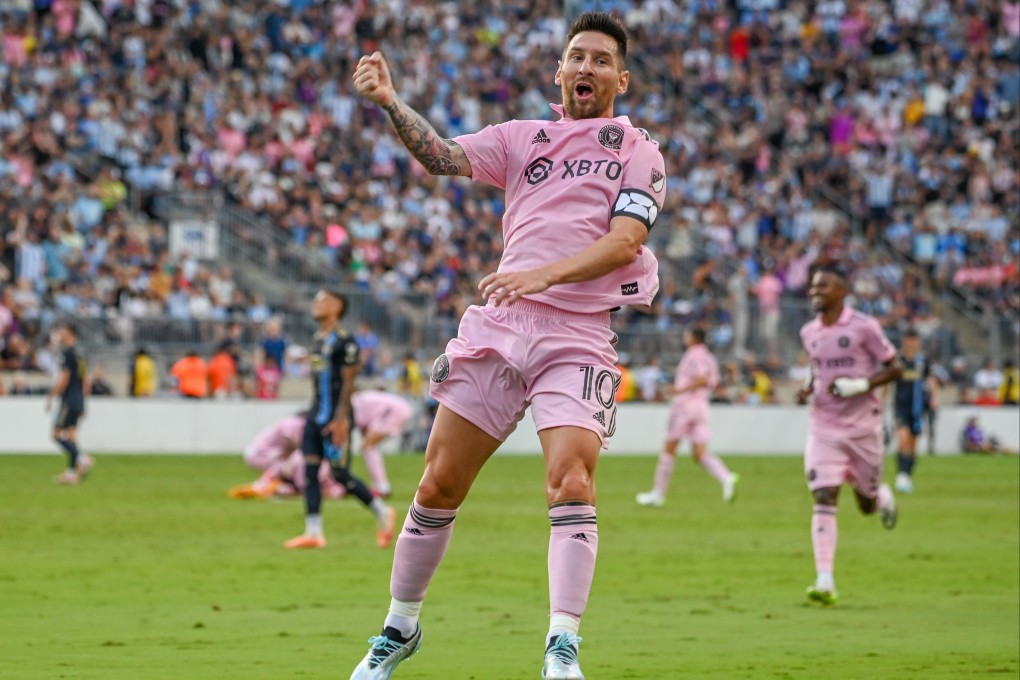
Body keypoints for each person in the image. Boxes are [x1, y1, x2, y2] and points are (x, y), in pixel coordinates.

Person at [350, 12, 666, 679]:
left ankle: (561, 649)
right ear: (559, 70)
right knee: (437, 485)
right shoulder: (525, 138)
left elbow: (625, 242)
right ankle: (398, 629)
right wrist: (390, 102)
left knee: (571, 481)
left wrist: (541, 274)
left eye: (601, 60)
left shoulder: (637, 150)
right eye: (576, 56)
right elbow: (441, 157)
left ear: (622, 79)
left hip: (577, 333)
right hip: (501, 325)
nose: (586, 67)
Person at [795, 263, 903, 606]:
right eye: (813, 287)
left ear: (842, 291)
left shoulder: (864, 327)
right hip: (824, 427)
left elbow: (896, 368)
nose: (815, 292)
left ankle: (881, 497)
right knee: (824, 496)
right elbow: (817, 370)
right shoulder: (809, 332)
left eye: (823, 286)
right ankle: (825, 579)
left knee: (866, 505)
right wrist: (807, 389)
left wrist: (862, 384)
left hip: (862, 429)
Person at [283, 289, 396, 551]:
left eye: (322, 300)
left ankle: (381, 511)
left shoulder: (346, 341)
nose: (316, 303)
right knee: (310, 470)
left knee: (339, 473)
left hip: (336, 418)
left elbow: (349, 382)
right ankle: (313, 532)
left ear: (337, 308)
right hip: (315, 415)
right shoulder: (317, 339)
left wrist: (341, 419)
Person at [636, 326, 739, 507]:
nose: (685, 337)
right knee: (699, 453)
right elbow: (712, 381)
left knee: (669, 448)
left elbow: (703, 378)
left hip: (685, 406)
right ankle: (726, 477)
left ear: (694, 338)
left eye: (687, 334)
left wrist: (679, 389)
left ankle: (658, 494)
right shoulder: (710, 357)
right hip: (701, 406)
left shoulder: (694, 355)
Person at [228, 412, 343, 500]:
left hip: (269, 454)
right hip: (260, 454)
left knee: (291, 460)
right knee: (289, 460)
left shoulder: (299, 426)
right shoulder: (294, 423)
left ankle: (269, 484)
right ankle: (268, 484)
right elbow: (288, 444)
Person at [45, 322, 94, 484]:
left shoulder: (68, 353)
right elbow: (86, 380)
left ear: (71, 333)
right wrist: (84, 402)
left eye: (62, 330)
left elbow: (64, 379)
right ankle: (72, 473)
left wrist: (51, 396)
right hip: (78, 398)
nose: (60, 333)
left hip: (69, 398)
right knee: (71, 436)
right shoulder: (81, 353)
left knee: (56, 434)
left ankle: (81, 457)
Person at [891, 329, 939, 493]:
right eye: (909, 340)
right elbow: (887, 379)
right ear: (904, 341)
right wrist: (880, 400)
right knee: (902, 438)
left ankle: (907, 477)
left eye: (914, 340)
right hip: (900, 406)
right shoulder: (898, 360)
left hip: (917, 408)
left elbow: (931, 379)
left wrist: (934, 398)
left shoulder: (922, 361)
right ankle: (901, 476)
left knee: (912, 445)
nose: (911, 344)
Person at [351, 389, 415, 499]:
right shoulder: (357, 402)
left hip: (393, 411)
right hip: (398, 408)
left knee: (368, 447)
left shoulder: (352, 407)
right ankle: (379, 486)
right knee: (368, 446)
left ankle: (382, 487)